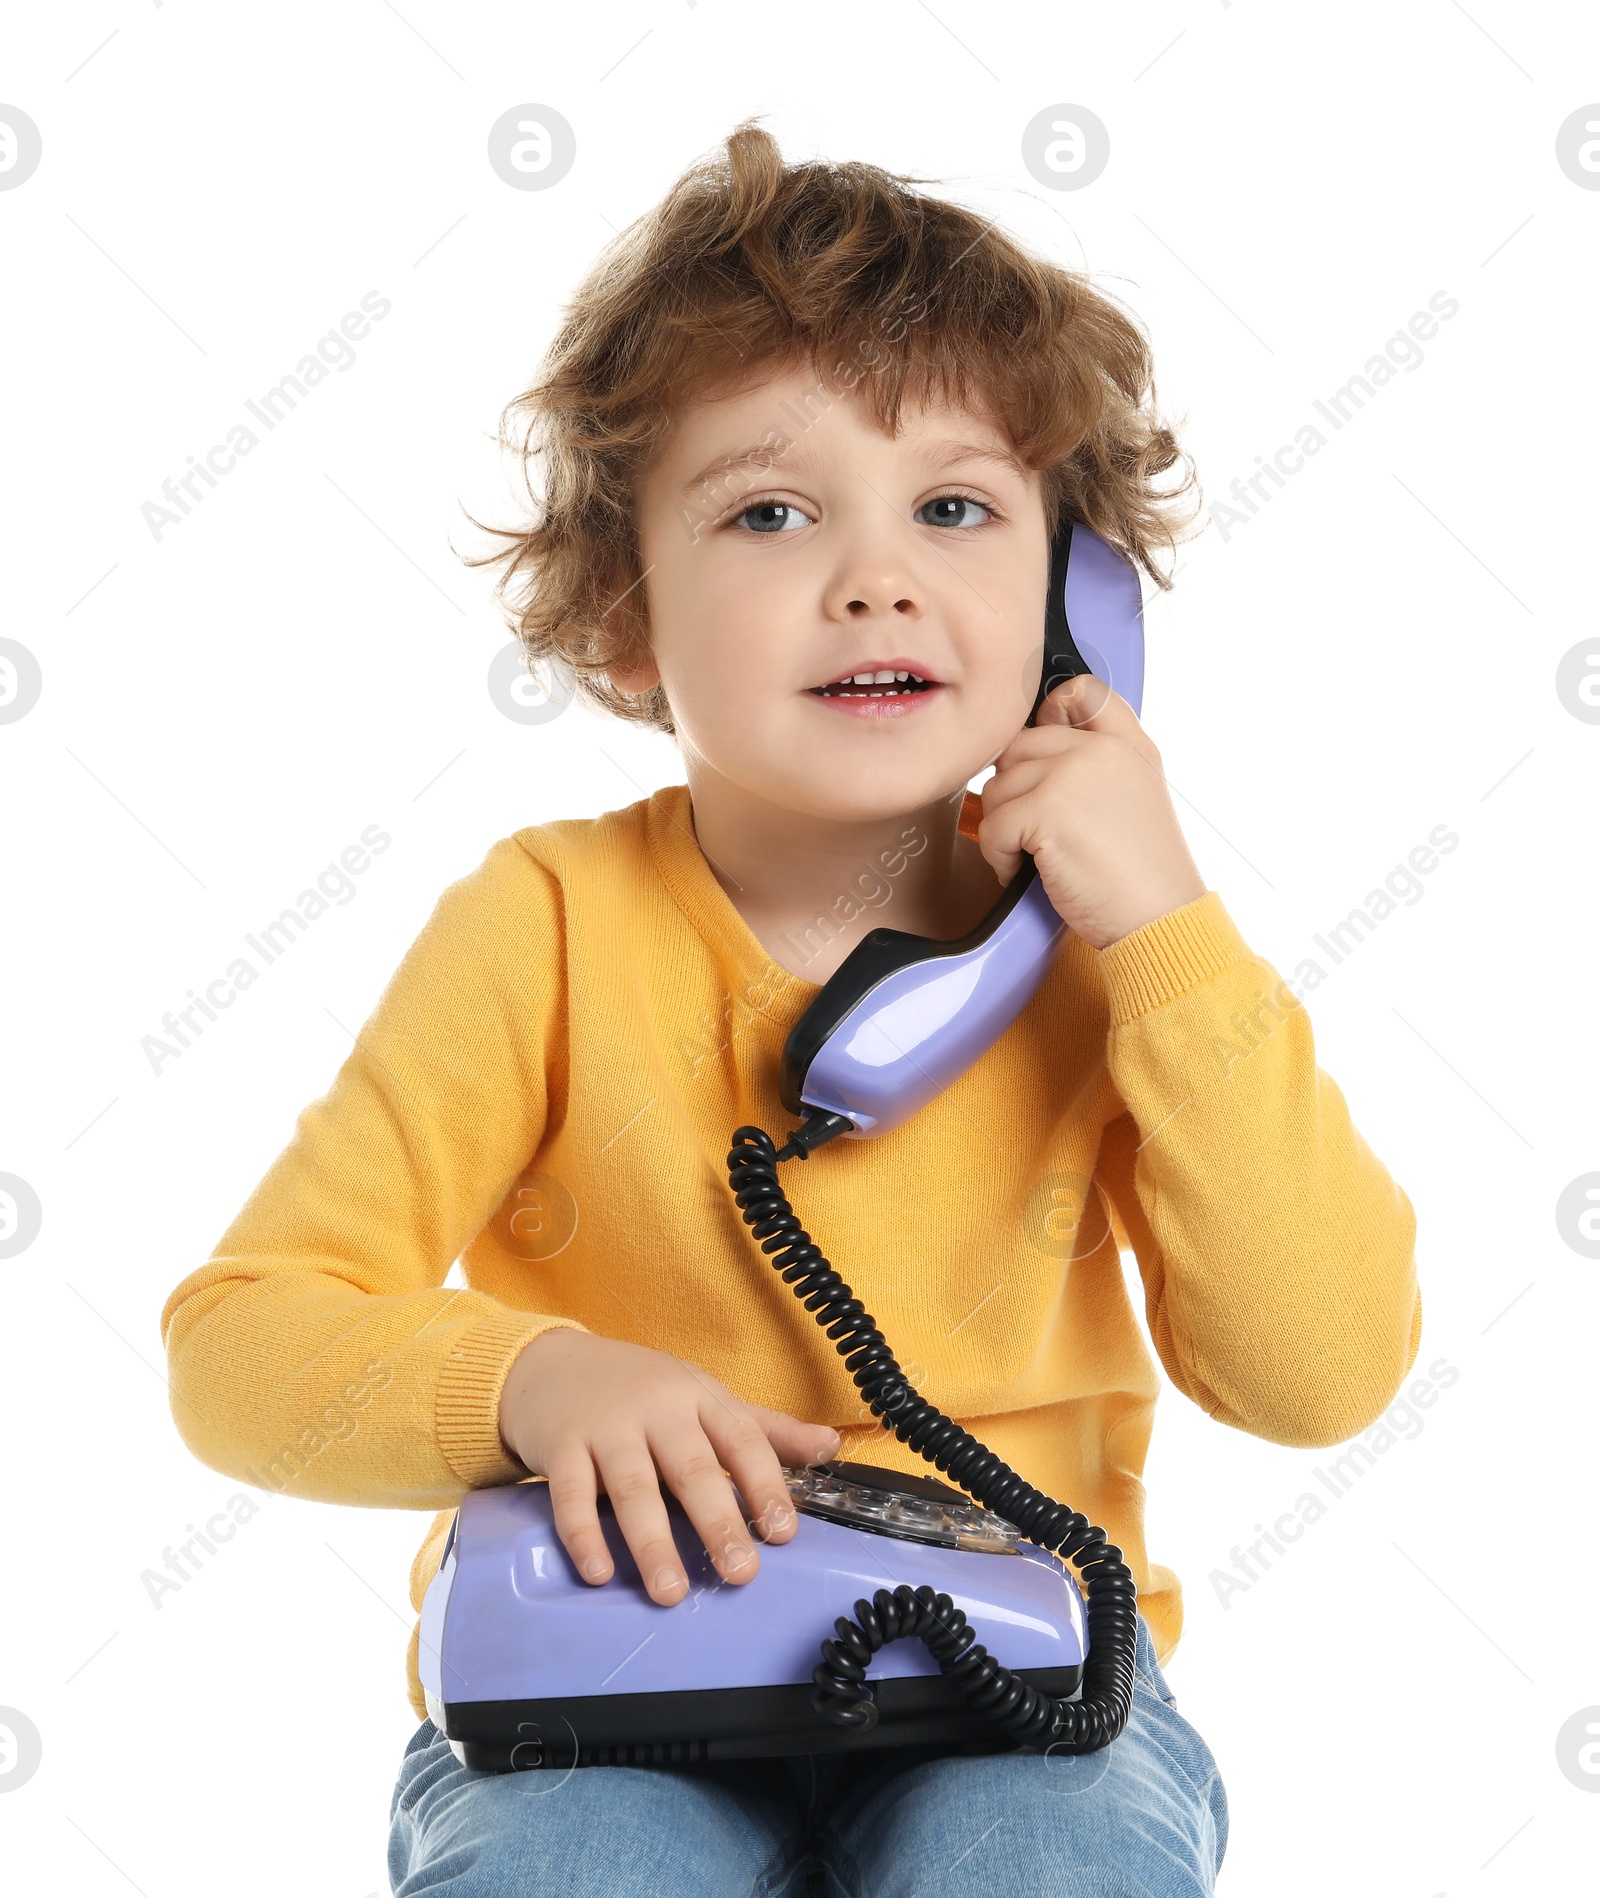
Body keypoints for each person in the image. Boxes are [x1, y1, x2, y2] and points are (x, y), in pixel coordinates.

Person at [160, 121, 1421, 1896]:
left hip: (1024, 1691)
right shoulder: (544, 922)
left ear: (1077, 609)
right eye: (770, 510)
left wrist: (1165, 935)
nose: (876, 576)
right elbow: (236, 1348)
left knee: (1037, 1865)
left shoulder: (1116, 956)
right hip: (621, 1681)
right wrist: (531, 1380)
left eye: (960, 508)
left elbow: (1322, 1371)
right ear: (622, 615)